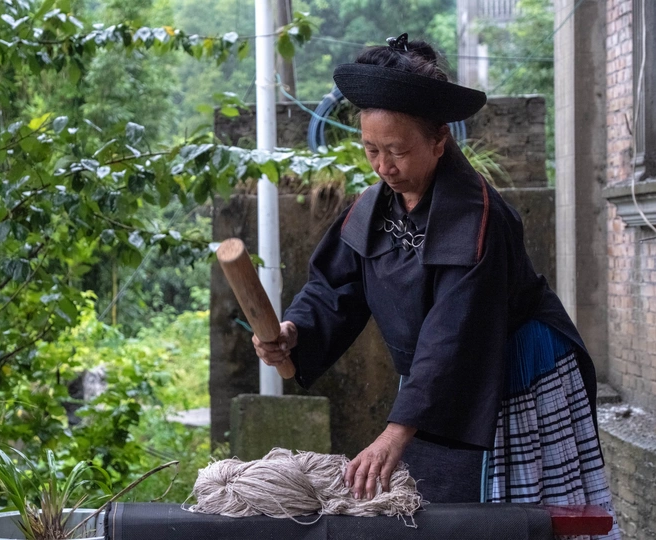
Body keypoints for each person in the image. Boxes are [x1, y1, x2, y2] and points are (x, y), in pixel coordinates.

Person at [253, 33, 620, 539]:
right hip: (436, 376)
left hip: (510, 367)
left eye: (398, 151)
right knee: (435, 504)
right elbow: (334, 286)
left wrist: (395, 431)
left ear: (439, 141)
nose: (384, 167)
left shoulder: (477, 219)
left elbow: (456, 332)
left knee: (510, 512)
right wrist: (296, 330)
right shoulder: (372, 208)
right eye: (371, 150)